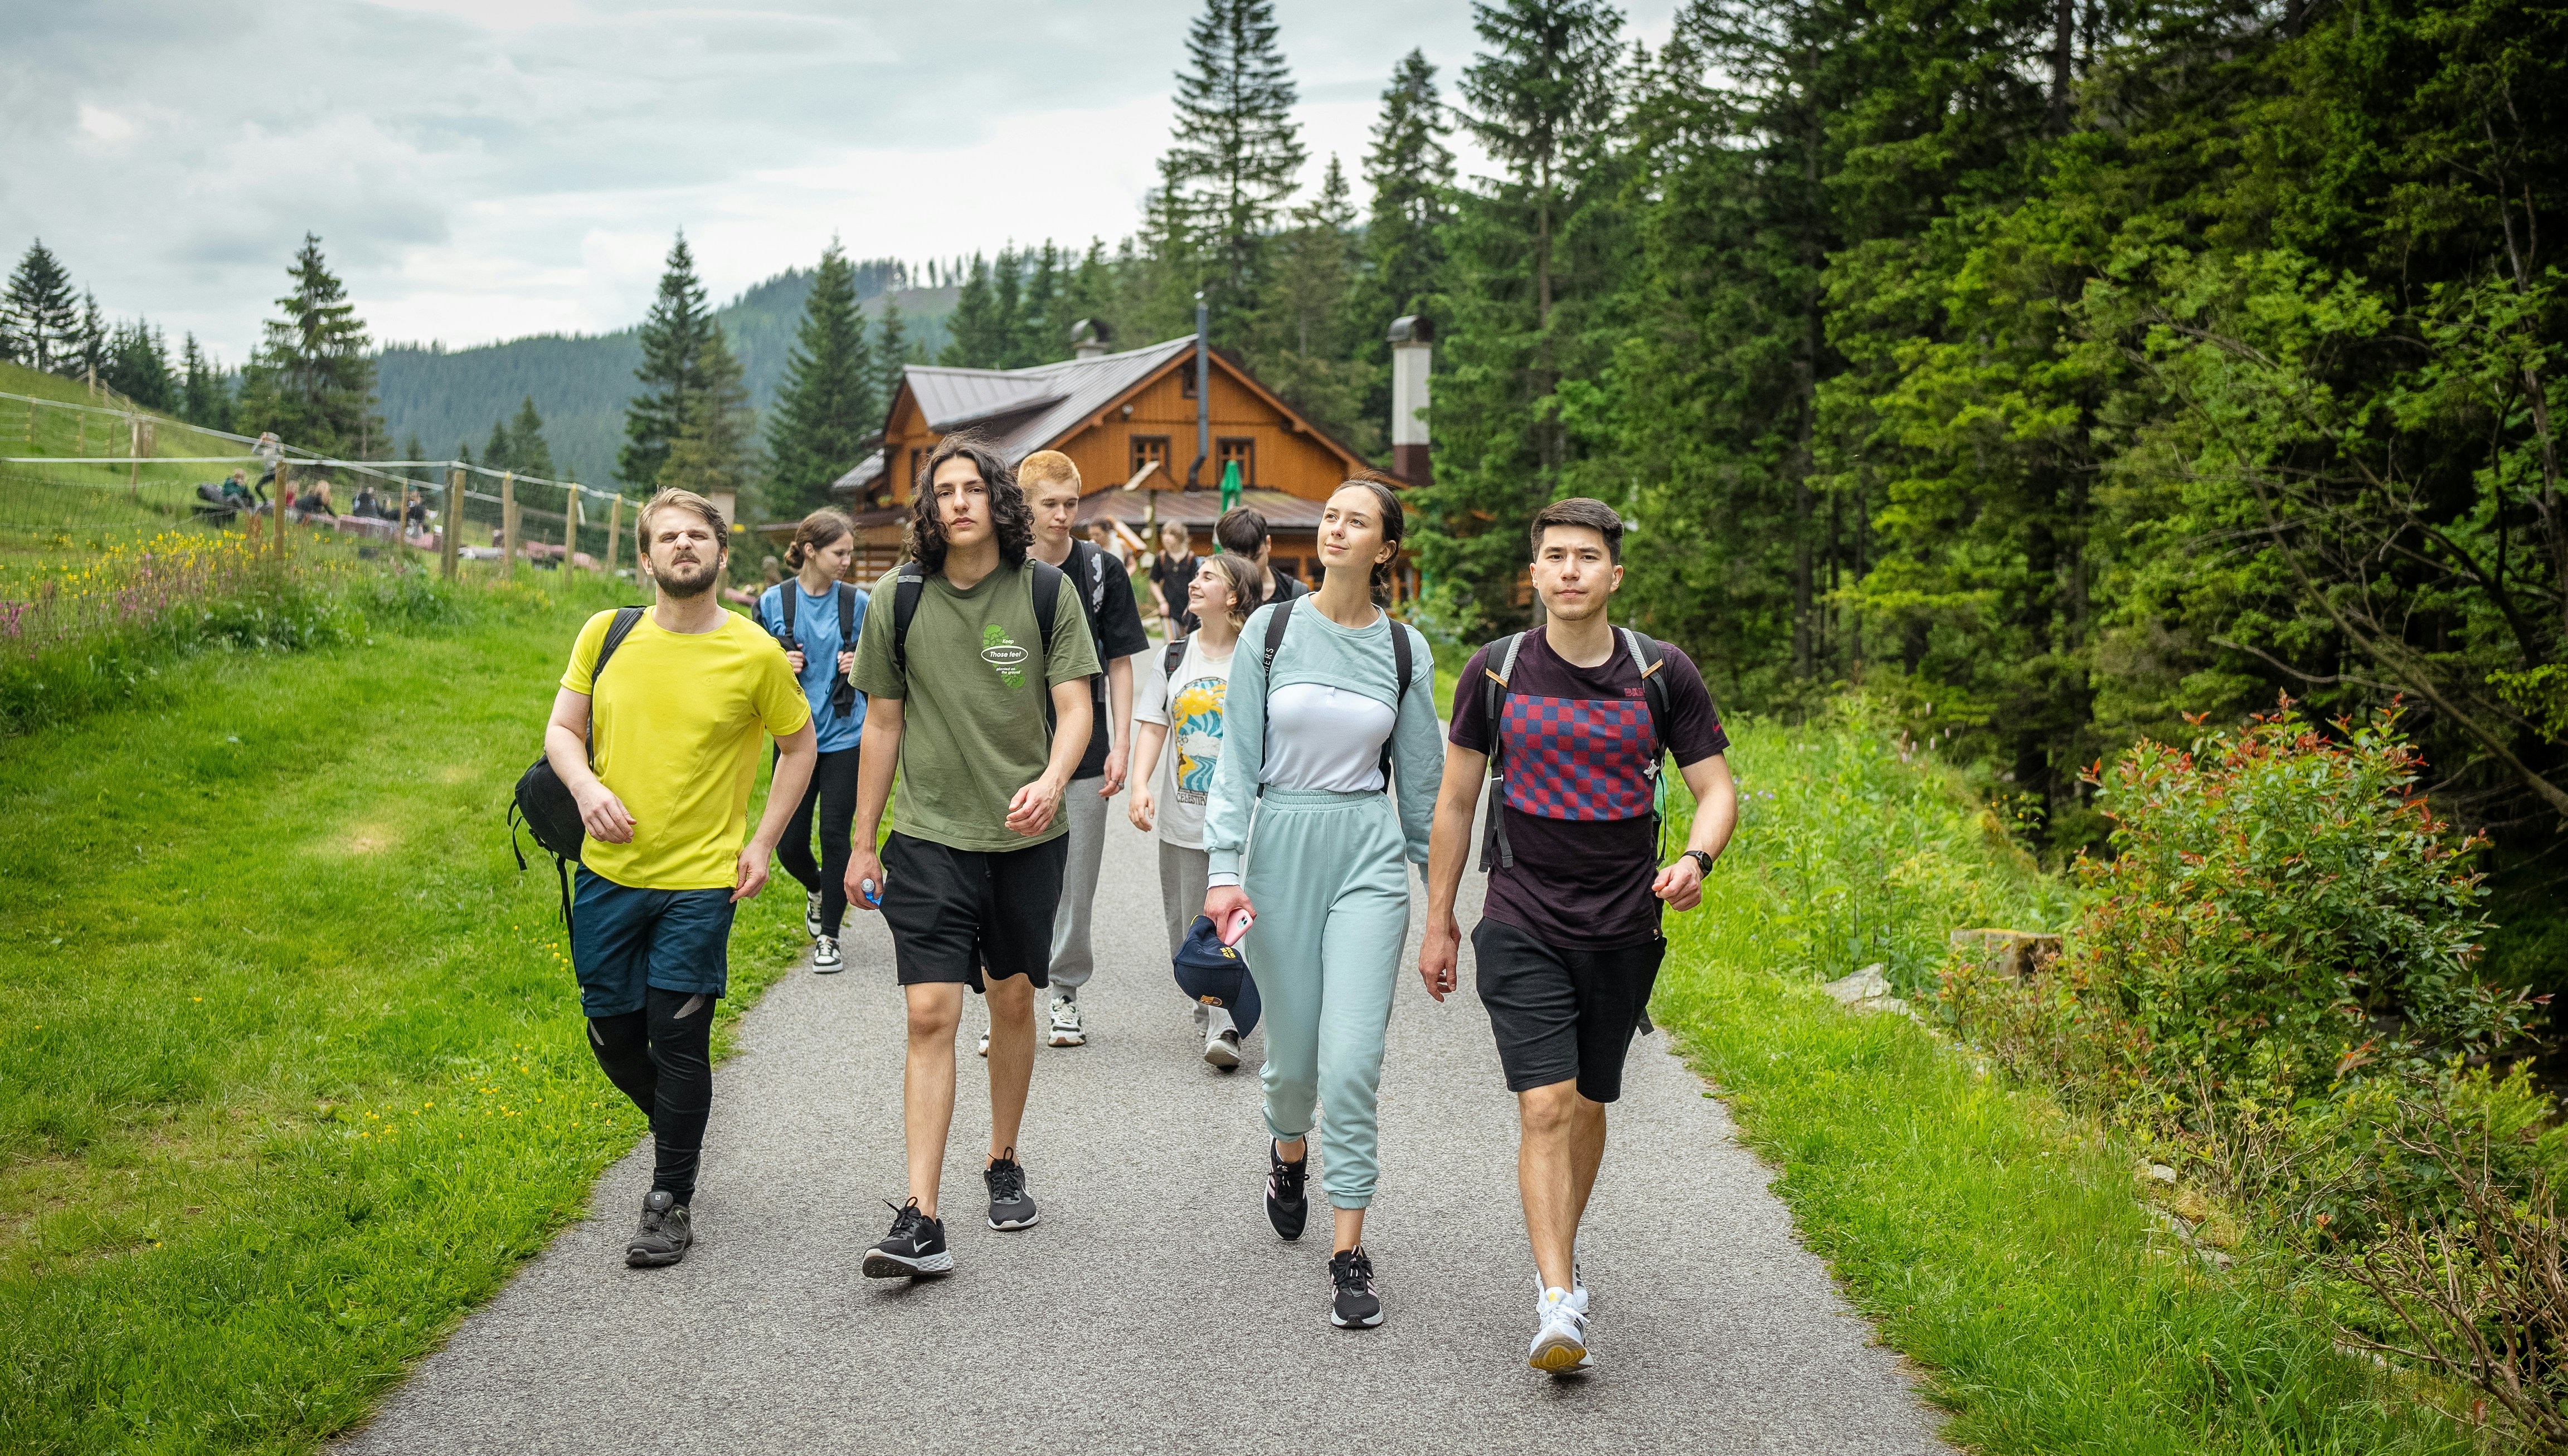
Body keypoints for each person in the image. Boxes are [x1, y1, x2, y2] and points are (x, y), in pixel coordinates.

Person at [1419, 497, 1739, 1375]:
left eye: (1586, 557)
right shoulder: (1495, 672)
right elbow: (1455, 802)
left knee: (1590, 1100)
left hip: (1625, 924)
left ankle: (1563, 1247)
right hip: (1521, 914)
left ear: (1613, 574)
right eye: (1554, 555)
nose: (1569, 570)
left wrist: (1697, 861)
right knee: (1546, 1103)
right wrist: (1441, 919)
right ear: (1536, 573)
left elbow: (1716, 789)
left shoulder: (1660, 672)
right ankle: (1557, 1298)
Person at [843, 435, 1100, 1278]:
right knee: (929, 1015)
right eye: (942, 491)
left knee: (1013, 999)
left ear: (998, 502)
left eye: (972, 489)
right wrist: (860, 840)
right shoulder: (898, 598)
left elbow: (1074, 708)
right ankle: (921, 1213)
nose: (957, 502)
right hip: (927, 837)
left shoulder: (1046, 592)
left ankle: (1002, 1156)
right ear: (930, 509)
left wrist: (1056, 780)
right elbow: (881, 723)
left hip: (1026, 839)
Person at [542, 487, 818, 1269]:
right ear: (646, 555)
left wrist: (764, 842)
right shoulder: (607, 634)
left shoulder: (754, 652)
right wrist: (588, 789)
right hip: (606, 875)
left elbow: (798, 747)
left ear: (721, 553)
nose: (684, 546)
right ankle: (679, 1124)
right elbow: (563, 731)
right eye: (668, 536)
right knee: (615, 1037)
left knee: (678, 1035)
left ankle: (669, 1198)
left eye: (698, 535)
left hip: (701, 881)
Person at [1201, 476, 1440, 1330]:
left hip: (1366, 856)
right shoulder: (1269, 633)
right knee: (1296, 1063)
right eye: (1330, 516)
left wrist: (1440, 908)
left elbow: (1423, 791)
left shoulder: (1407, 653)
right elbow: (1234, 766)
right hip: (1280, 853)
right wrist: (1222, 871)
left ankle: (1349, 1249)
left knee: (1352, 1061)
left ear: (1386, 548)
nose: (1336, 528)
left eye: (1356, 520)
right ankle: (1288, 1146)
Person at [1022, 451, 1150, 1049]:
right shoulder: (1001, 568)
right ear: (1025, 505)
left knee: (1076, 879)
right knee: (1014, 878)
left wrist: (1122, 742)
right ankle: (1013, 999)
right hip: (1012, 748)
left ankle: (1066, 992)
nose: (1063, 515)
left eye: (1071, 503)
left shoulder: (1101, 569)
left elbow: (1121, 663)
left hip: (1089, 746)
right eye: (1050, 504)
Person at [1129, 553, 1266, 1067]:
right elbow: (1154, 726)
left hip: (1242, 822)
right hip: (1182, 821)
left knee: (1231, 923)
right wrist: (1140, 783)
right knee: (1186, 928)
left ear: (1233, 596)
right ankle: (1208, 1000)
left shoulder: (1255, 659)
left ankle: (1226, 1025)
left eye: (1208, 576)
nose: (1194, 581)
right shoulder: (1173, 658)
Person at [755, 509, 869, 974]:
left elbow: (884, 667)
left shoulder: (858, 603)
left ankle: (830, 937)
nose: (847, 561)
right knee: (788, 843)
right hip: (794, 739)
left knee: (834, 834)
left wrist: (859, 663)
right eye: (839, 553)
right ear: (809, 551)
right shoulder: (771, 602)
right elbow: (753, 672)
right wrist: (780, 662)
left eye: (850, 553)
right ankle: (819, 886)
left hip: (847, 735)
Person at [1213, 505, 1311, 610]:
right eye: (1239, 562)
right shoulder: (1214, 594)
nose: (1248, 568)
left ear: (1268, 543)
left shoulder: (1296, 594)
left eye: (1255, 558)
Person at [1149, 520, 1198, 635]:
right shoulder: (1161, 558)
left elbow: (1196, 584)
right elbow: (1153, 582)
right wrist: (1162, 602)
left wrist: (1191, 606)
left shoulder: (1191, 559)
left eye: (1171, 534)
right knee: (1171, 644)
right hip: (1169, 609)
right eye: (1164, 534)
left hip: (1187, 607)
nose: (1166, 538)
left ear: (1180, 537)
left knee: (1186, 643)